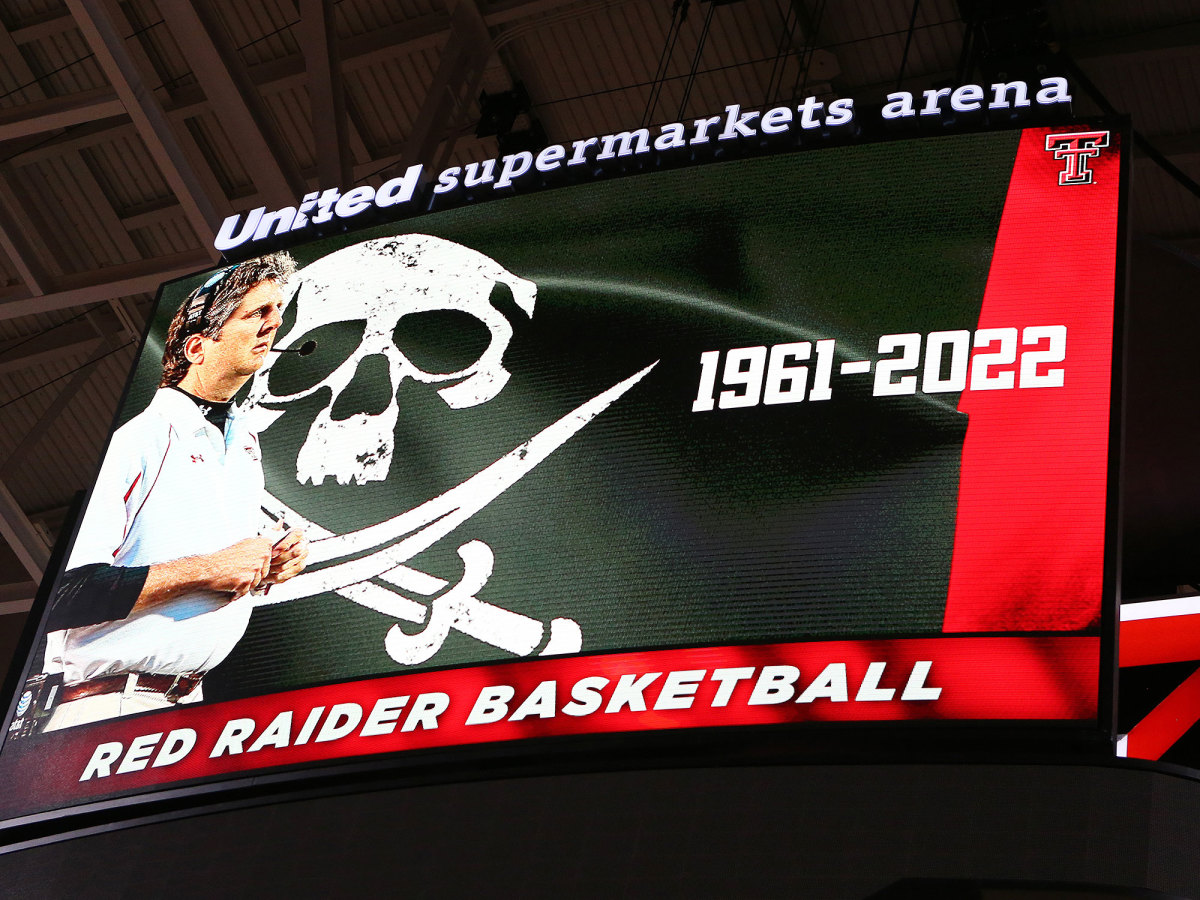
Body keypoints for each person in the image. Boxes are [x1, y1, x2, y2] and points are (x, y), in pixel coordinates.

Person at [41, 253, 309, 731]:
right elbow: (64, 595)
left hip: (188, 704)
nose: (274, 324)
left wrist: (268, 565)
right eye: (256, 314)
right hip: (105, 706)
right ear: (197, 349)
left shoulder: (246, 443)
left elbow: (222, 570)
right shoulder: (139, 439)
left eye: (277, 313)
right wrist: (210, 570)